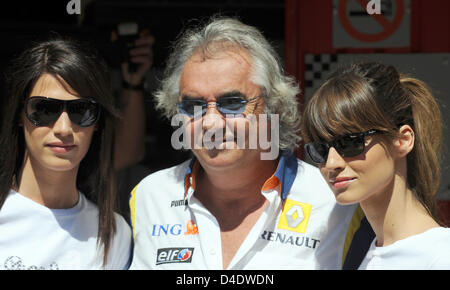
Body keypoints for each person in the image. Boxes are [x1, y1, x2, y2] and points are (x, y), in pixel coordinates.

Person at [129, 16, 361, 270]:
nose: (211, 123)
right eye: (193, 106)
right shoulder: (149, 197)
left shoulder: (335, 199)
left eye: (232, 103)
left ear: (276, 107)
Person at [301, 61, 450, 270]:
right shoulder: (363, 255)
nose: (332, 163)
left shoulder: (440, 258)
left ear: (403, 140)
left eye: (350, 142)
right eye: (320, 150)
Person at [0, 37, 132, 270]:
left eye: (81, 111)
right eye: (44, 109)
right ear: (20, 115)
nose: (63, 128)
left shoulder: (113, 233)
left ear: (98, 122)